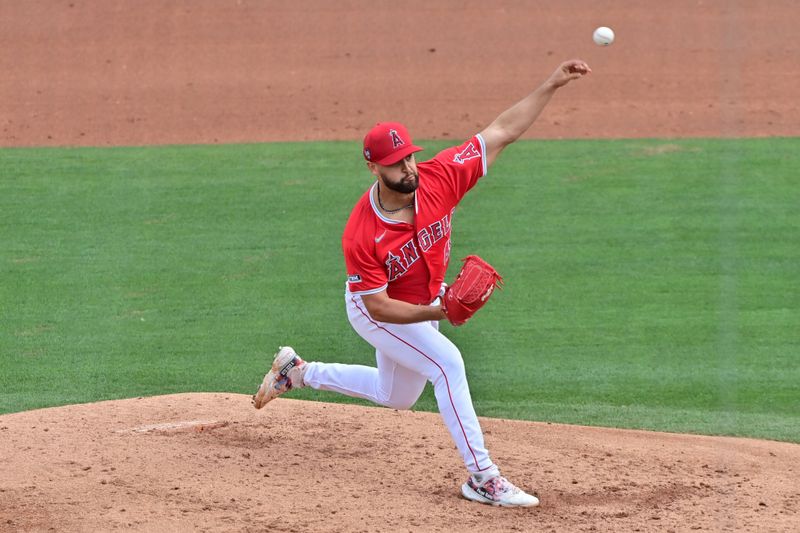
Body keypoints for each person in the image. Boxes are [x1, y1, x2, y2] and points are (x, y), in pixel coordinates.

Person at [253, 59, 591, 507]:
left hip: (423, 303)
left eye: (410, 156)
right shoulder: (361, 232)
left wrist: (550, 84)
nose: (409, 168)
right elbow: (378, 307)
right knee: (447, 364)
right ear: (374, 168)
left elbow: (500, 132)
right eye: (396, 163)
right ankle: (483, 478)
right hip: (379, 309)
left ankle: (297, 372)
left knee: (396, 396)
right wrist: (441, 312)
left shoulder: (438, 177)